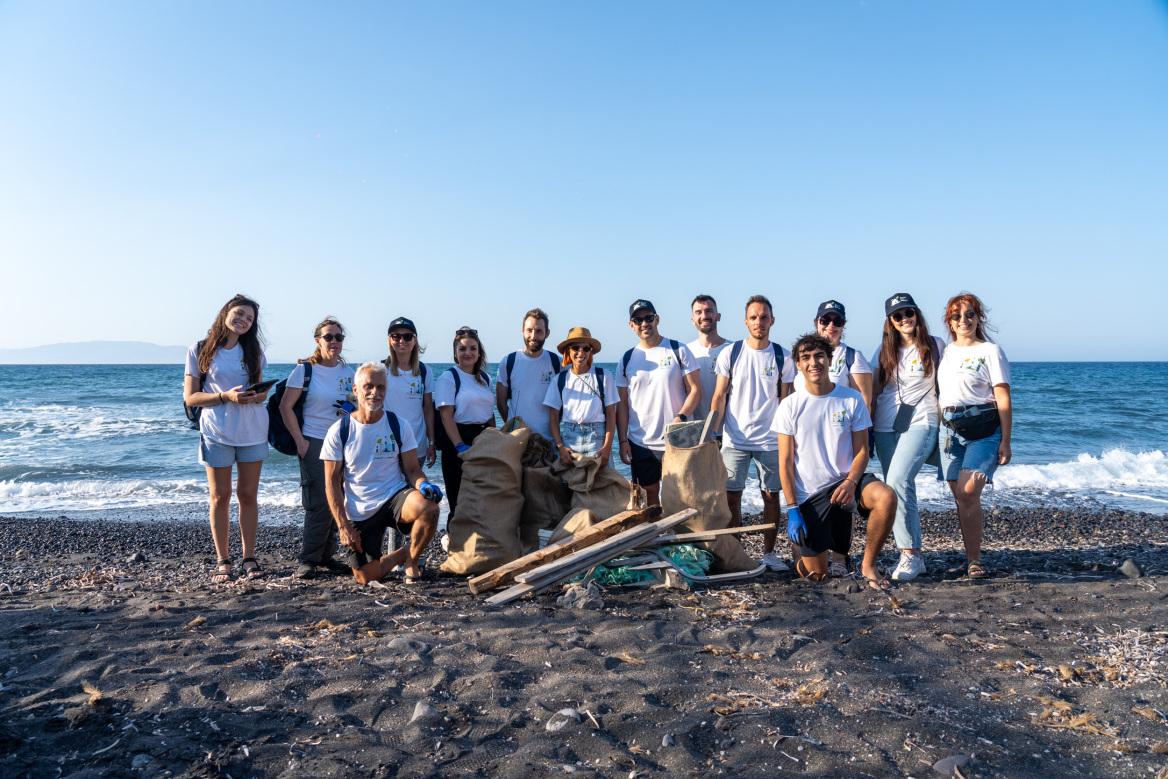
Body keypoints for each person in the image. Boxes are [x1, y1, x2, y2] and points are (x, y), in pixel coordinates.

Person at [775, 333, 897, 589]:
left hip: (846, 483)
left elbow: (862, 451)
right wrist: (792, 508)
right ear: (798, 364)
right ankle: (802, 552)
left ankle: (868, 565)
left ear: (830, 360)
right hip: (810, 494)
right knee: (816, 576)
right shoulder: (789, 405)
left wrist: (852, 482)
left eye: (819, 355)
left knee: (886, 496)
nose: (813, 362)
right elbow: (785, 462)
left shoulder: (851, 399)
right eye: (805, 358)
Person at [321, 362, 441, 585]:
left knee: (430, 509)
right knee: (365, 577)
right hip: (360, 508)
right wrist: (344, 526)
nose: (375, 393)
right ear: (356, 390)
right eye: (368, 386)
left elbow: (413, 470)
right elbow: (331, 483)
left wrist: (423, 484)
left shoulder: (399, 425)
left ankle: (412, 561)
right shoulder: (339, 431)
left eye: (381, 387)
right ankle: (402, 554)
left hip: (394, 496)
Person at [182, 294, 270, 584]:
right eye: (239, 313)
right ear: (225, 313)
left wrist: (255, 395)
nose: (243, 320)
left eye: (249, 318)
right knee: (219, 497)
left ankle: (249, 558)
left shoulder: (254, 351)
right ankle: (223, 561)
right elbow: (191, 397)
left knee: (248, 496)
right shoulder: (199, 350)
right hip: (216, 432)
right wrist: (225, 396)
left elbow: (262, 394)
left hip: (253, 430)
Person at [709, 295, 796, 571]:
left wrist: (789, 440)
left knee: (771, 497)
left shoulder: (783, 356)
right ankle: (735, 554)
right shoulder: (730, 353)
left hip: (771, 441)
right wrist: (712, 433)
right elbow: (719, 396)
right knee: (731, 498)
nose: (759, 322)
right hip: (734, 439)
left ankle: (769, 554)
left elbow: (786, 402)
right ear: (746, 321)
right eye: (754, 317)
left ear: (772, 320)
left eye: (764, 316)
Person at [795, 300, 874, 576]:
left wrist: (858, 441)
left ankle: (840, 558)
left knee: (843, 499)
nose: (830, 326)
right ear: (816, 322)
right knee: (808, 496)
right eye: (825, 321)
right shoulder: (805, 353)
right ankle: (809, 555)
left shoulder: (853, 356)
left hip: (842, 439)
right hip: (809, 445)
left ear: (843, 326)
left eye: (836, 322)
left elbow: (865, 401)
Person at [937, 293, 1012, 580]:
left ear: (978, 317)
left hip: (984, 431)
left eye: (969, 314)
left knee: (968, 493)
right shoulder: (946, 351)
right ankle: (970, 557)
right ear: (950, 322)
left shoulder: (991, 351)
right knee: (959, 496)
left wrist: (1006, 440)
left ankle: (975, 559)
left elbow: (1003, 398)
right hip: (949, 431)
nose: (963, 320)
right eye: (956, 316)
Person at [871, 293, 945, 582]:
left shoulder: (936, 345)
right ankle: (915, 555)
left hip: (923, 419)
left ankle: (909, 555)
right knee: (897, 489)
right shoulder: (882, 349)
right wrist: (866, 430)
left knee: (899, 480)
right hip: (885, 425)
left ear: (917, 313)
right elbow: (876, 392)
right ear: (890, 321)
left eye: (908, 313)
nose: (905, 319)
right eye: (898, 316)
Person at [279, 317, 357, 580]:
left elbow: (356, 406)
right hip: (315, 441)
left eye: (339, 337)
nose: (334, 341)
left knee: (340, 500)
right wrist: (300, 441)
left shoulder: (349, 373)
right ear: (318, 340)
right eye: (328, 337)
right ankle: (308, 559)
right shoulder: (304, 370)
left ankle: (326, 556)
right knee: (320, 502)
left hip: (344, 442)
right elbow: (285, 407)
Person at [616, 299, 701, 506]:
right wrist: (623, 442)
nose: (644, 323)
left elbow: (695, 391)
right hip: (640, 442)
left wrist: (680, 419)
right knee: (648, 497)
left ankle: (681, 538)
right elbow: (623, 405)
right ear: (631, 325)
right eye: (638, 320)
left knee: (680, 498)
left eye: (648, 318)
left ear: (657, 319)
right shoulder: (627, 359)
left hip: (676, 441)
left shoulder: (678, 350)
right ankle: (654, 538)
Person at [435, 327, 496, 515]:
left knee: (483, 498)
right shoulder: (448, 378)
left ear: (479, 352)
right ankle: (456, 541)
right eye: (462, 349)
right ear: (455, 352)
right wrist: (460, 446)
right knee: (459, 501)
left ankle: (480, 543)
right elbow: (446, 417)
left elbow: (490, 413)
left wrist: (496, 438)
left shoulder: (486, 378)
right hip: (458, 442)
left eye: (472, 348)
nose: (468, 353)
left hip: (484, 440)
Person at [544, 327, 617, 466]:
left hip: (597, 438)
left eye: (586, 348)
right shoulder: (559, 380)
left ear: (591, 352)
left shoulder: (604, 376)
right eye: (575, 347)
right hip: (569, 439)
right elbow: (553, 417)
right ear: (568, 351)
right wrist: (560, 446)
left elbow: (611, 414)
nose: (580, 353)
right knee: (571, 486)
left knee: (602, 485)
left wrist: (607, 447)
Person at [496, 308, 561, 442]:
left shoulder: (557, 363)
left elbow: (563, 405)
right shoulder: (508, 362)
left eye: (539, 331)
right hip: (515, 442)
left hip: (549, 442)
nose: (533, 336)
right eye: (529, 330)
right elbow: (501, 404)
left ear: (547, 333)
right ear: (522, 331)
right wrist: (514, 428)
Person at [383, 317, 436, 471]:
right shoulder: (380, 369)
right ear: (390, 341)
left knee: (413, 490)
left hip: (416, 444)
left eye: (407, 336)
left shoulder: (425, 371)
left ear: (415, 340)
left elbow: (428, 409)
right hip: (386, 445)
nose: (402, 341)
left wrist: (431, 442)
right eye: (396, 336)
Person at [687, 295, 729, 440]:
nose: (704, 316)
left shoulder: (733, 350)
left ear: (718, 316)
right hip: (695, 433)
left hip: (729, 435)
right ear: (692, 320)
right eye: (698, 312)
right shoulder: (685, 352)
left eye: (709, 311)